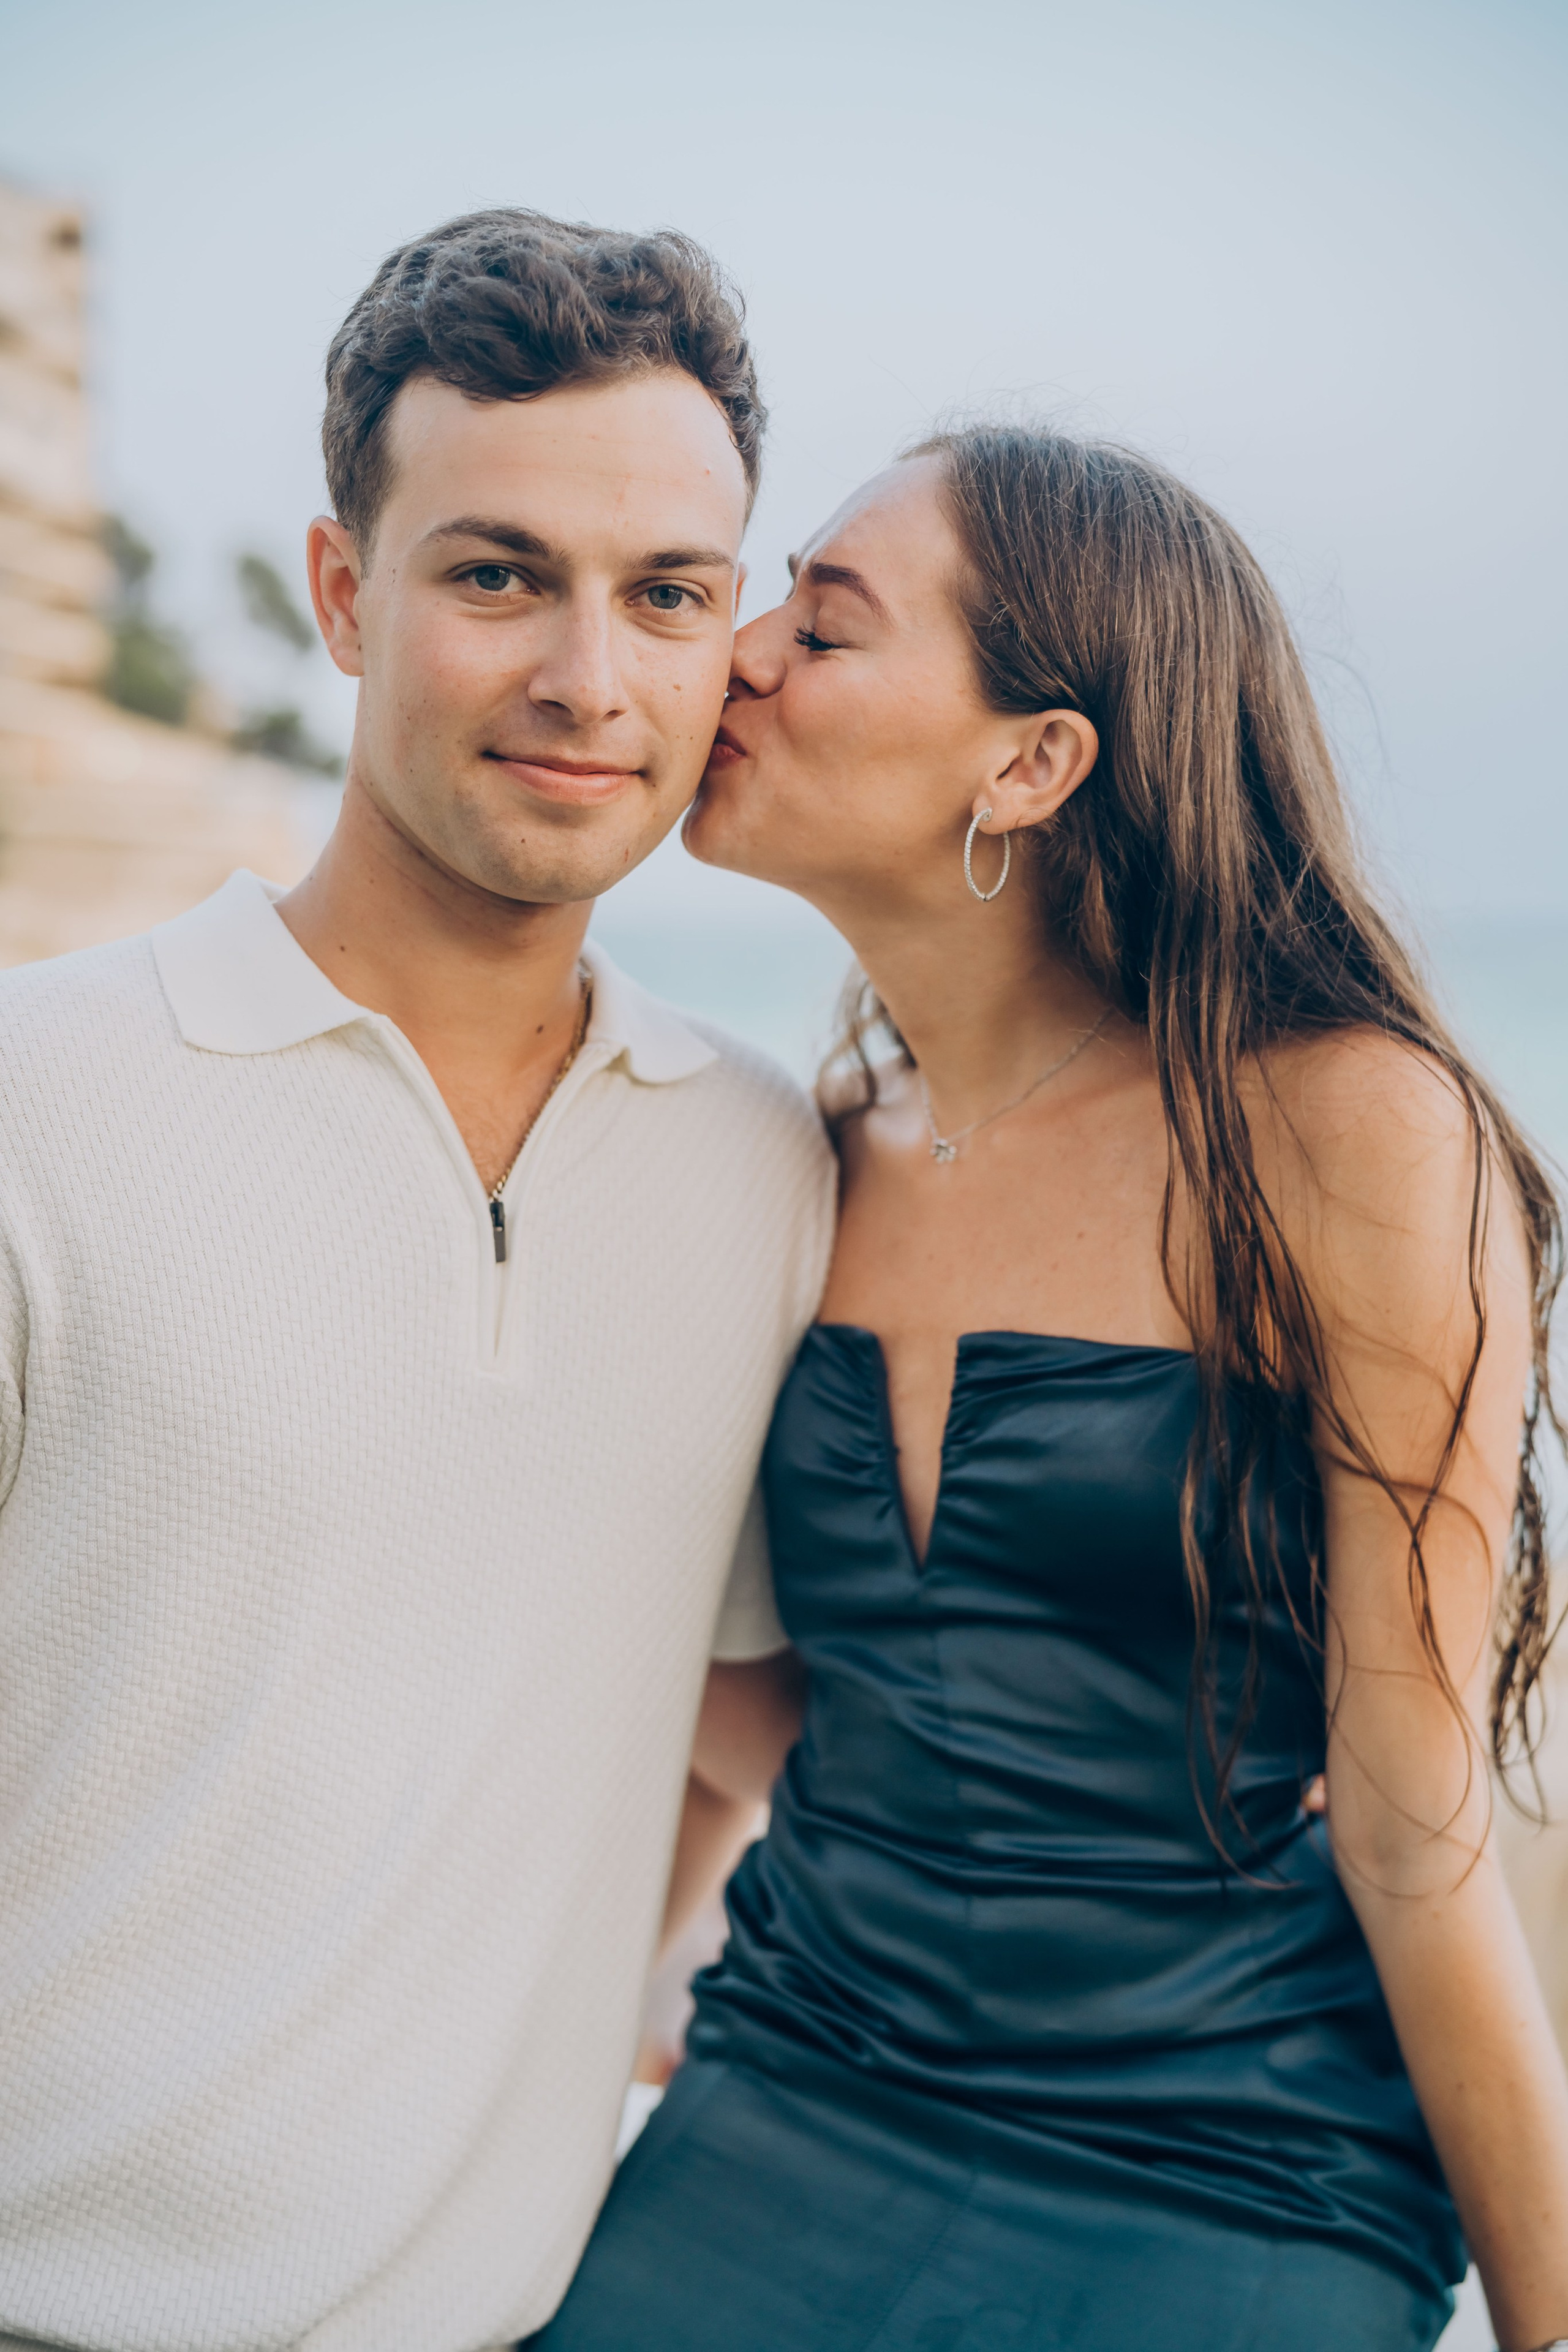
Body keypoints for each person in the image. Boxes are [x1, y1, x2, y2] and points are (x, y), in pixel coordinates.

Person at [533, 426, 1568, 2351]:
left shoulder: (1349, 1134)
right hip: (792, 2097)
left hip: (1234, 2164)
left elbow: (1417, 1839)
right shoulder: (799, 1156)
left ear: (1032, 761)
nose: (736, 653)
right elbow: (752, 1709)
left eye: (822, 628)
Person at [0, 209, 834, 2352]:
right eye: (496, 575)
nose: (589, 678)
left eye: (667, 597)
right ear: (345, 595)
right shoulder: (37, 1099)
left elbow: (736, 1717)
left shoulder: (764, 1164)